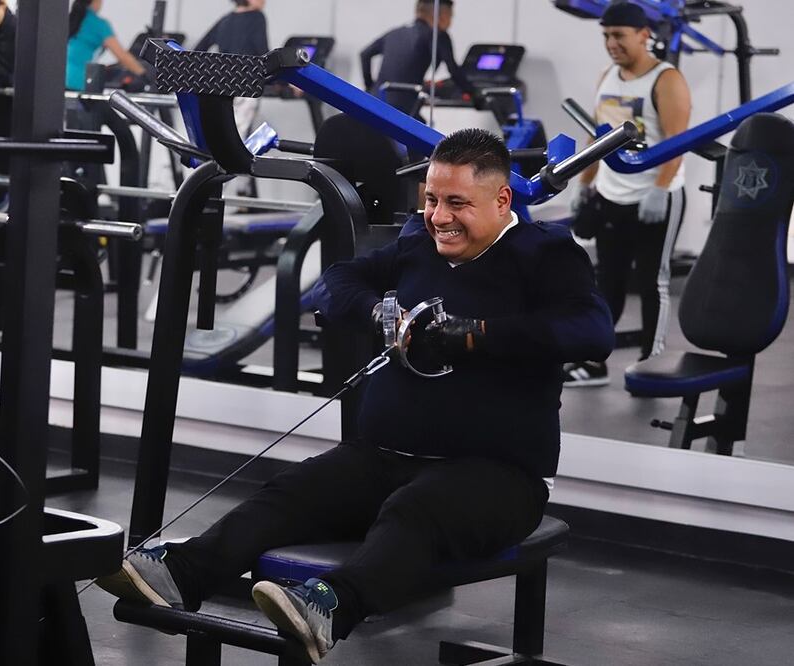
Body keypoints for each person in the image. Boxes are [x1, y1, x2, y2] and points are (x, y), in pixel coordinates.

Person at [95, 129, 614, 663]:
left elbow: (593, 333)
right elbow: (336, 282)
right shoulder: (419, 240)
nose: (439, 216)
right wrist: (376, 311)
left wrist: (476, 332)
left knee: (414, 510)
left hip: (500, 476)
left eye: (457, 203)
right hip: (385, 456)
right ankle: (181, 574)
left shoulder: (546, 253)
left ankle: (330, 607)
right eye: (432, 199)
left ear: (502, 199)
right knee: (293, 489)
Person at [564, 1, 690, 387]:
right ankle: (594, 361)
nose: (611, 43)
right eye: (605, 36)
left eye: (618, 35)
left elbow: (677, 141)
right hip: (610, 193)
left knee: (654, 282)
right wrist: (584, 183)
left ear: (643, 35)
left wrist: (659, 189)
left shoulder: (665, 80)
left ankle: (650, 361)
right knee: (608, 281)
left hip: (656, 197)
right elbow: (596, 136)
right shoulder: (608, 76)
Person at [360, 0, 473, 116]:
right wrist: (473, 93)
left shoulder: (395, 33)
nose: (450, 22)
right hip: (401, 110)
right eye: (451, 16)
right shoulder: (437, 35)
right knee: (425, 130)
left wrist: (370, 88)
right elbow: (453, 69)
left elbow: (364, 54)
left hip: (375, 103)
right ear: (442, 16)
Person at [195, 0, 269, 140]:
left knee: (222, 137)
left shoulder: (225, 20)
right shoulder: (257, 18)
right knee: (238, 140)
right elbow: (263, 52)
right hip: (246, 85)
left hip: (223, 85)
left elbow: (199, 49)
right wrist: (284, 80)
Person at [65, 0, 146, 92]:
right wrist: (145, 75)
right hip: (78, 83)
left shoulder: (71, 19)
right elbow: (122, 56)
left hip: (60, 81)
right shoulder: (98, 24)